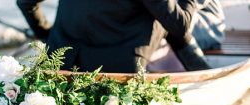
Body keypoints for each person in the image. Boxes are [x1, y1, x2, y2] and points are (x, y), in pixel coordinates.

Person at [17, 0, 211, 72]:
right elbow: (180, 25)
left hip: (60, 63)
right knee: (167, 16)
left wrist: (50, 38)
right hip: (115, 72)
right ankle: (202, 73)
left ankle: (200, 70)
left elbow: (25, 2)